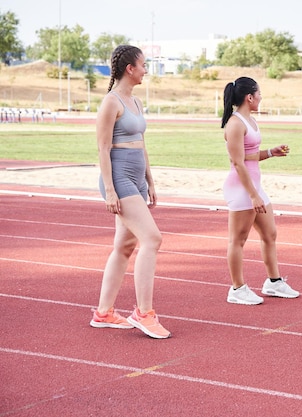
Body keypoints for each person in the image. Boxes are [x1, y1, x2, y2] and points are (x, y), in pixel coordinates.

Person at [89, 45, 171, 339]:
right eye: (144, 65)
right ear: (130, 69)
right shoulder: (111, 102)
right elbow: (102, 148)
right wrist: (110, 190)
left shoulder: (135, 102)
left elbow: (141, 143)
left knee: (124, 247)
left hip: (136, 179)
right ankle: (144, 313)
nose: (146, 70)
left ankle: (104, 313)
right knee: (152, 238)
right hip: (118, 179)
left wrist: (150, 180)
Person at [221, 76, 299, 305]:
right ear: (249, 97)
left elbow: (250, 156)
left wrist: (271, 152)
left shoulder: (250, 121)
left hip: (255, 187)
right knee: (238, 240)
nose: (261, 98)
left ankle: (274, 282)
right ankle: (237, 288)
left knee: (269, 234)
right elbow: (237, 163)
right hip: (242, 189)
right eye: (259, 94)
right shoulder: (235, 124)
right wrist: (253, 194)